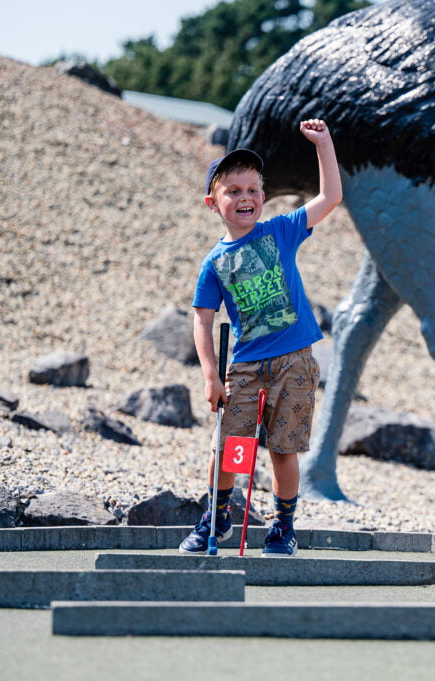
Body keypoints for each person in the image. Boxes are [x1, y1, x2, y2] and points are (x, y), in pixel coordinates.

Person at [179, 119, 342, 556]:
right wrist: (211, 377)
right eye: (233, 191)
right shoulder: (214, 263)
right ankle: (218, 516)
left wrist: (323, 144)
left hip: (296, 361)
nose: (244, 198)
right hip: (246, 367)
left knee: (283, 452)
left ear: (263, 198)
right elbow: (202, 320)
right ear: (213, 203)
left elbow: (330, 197)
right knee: (233, 446)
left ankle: (283, 527)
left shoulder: (282, 231)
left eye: (252, 190)